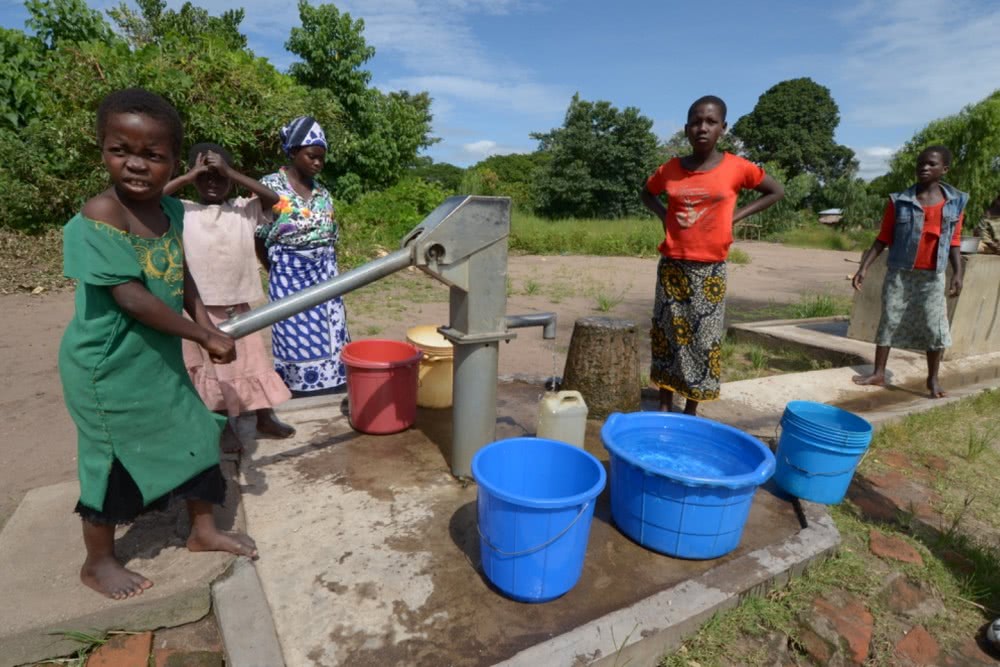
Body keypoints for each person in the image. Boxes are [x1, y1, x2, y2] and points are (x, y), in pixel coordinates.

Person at [59, 88, 257, 601]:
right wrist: (202, 335)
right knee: (111, 458)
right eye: (120, 150)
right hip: (108, 368)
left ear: (174, 160)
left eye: (153, 155)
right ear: (101, 148)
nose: (135, 165)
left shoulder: (170, 208)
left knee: (196, 430)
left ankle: (203, 530)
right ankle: (97, 561)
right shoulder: (102, 213)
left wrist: (204, 321)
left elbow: (183, 277)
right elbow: (131, 299)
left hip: (157, 360)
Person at [640, 95, 784, 415]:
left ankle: (691, 408)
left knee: (703, 341)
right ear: (686, 127)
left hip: (710, 270)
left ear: (723, 128)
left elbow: (776, 191)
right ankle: (664, 402)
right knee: (667, 335)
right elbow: (647, 193)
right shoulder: (671, 169)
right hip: (673, 266)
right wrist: (664, 216)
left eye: (710, 122)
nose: (702, 128)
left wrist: (736, 216)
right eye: (696, 121)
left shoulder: (737, 168)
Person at [164, 143, 296, 452]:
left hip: (240, 307)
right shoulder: (182, 209)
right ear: (194, 178)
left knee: (253, 364)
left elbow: (274, 199)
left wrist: (230, 171)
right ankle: (223, 427)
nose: (213, 182)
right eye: (205, 177)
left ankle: (264, 415)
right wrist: (188, 175)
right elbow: (153, 198)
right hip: (200, 309)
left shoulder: (243, 209)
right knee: (214, 371)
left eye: (219, 176)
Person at [851, 145, 968, 398]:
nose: (924, 168)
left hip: (933, 275)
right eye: (920, 164)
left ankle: (932, 380)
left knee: (934, 325)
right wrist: (864, 267)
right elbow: (883, 237)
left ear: (944, 169)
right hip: (900, 272)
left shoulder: (955, 203)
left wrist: (957, 273)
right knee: (890, 319)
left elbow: (955, 241)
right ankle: (879, 373)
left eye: (931, 164)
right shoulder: (899, 202)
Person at [257, 116, 349, 396]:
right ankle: (299, 390)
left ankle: (332, 387)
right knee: (293, 334)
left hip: (325, 273)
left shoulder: (322, 192)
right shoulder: (270, 185)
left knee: (332, 334)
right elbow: (258, 236)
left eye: (322, 158)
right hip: (288, 274)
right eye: (312, 156)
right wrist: (274, 269)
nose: (318, 163)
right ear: (294, 152)